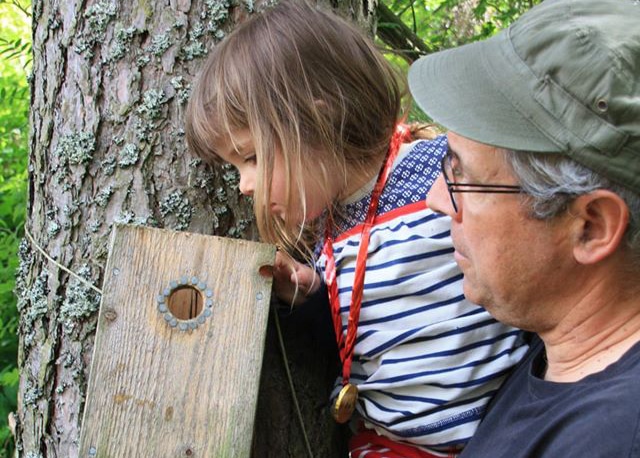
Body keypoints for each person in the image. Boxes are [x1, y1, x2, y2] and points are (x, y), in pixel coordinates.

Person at [185, 1, 528, 456]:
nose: (245, 185)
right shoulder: (328, 231)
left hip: (506, 438)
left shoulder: (443, 174)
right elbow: (373, 343)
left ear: (320, 121)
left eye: (251, 157)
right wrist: (313, 301)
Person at [408, 0, 640, 456]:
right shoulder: (555, 346)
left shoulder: (609, 441)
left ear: (590, 228)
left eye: (463, 175)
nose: (435, 199)